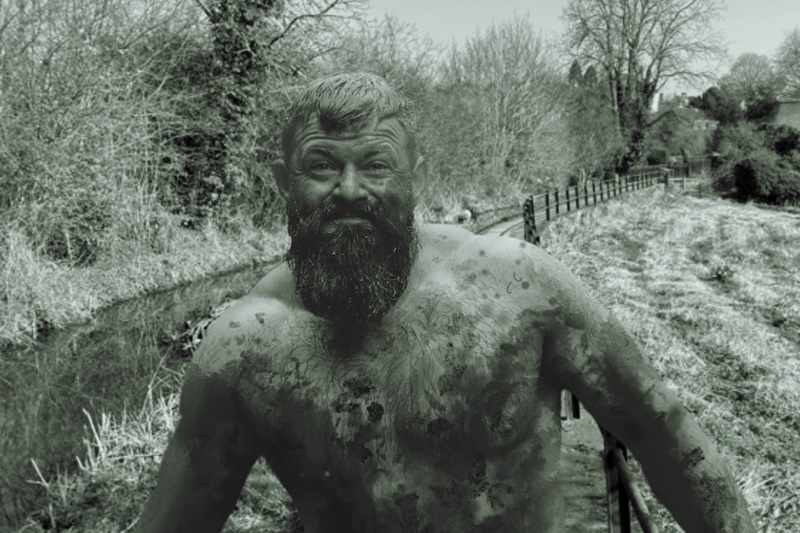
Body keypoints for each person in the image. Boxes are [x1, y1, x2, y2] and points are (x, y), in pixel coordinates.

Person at [137, 72, 756, 532]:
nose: (349, 191)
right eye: (320, 166)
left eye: (376, 165)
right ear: (282, 182)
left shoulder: (517, 287)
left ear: (414, 177)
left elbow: (660, 429)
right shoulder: (245, 348)